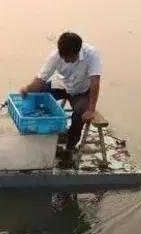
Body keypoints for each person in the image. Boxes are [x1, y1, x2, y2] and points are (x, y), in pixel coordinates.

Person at [20, 32, 102, 164]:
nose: (65, 60)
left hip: (81, 91)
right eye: (63, 57)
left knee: (80, 113)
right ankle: (38, 133)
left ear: (77, 52)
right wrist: (27, 89)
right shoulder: (56, 56)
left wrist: (91, 109)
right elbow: (40, 79)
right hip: (62, 85)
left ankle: (70, 147)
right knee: (37, 95)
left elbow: (95, 81)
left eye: (69, 58)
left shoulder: (92, 54)